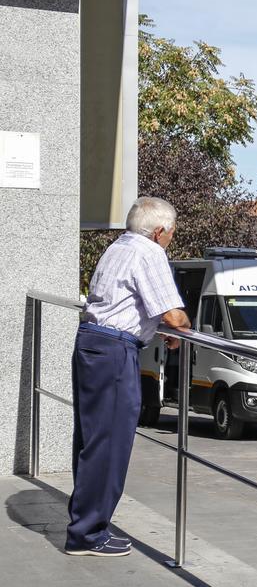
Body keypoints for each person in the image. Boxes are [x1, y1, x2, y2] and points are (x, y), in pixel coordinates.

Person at [66, 197, 191, 557]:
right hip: (115, 351)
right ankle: (87, 533)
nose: (170, 240)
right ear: (159, 231)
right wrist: (181, 325)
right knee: (110, 443)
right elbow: (172, 313)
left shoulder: (118, 246)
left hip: (92, 343)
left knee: (92, 440)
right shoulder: (149, 253)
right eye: (170, 234)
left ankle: (88, 525)